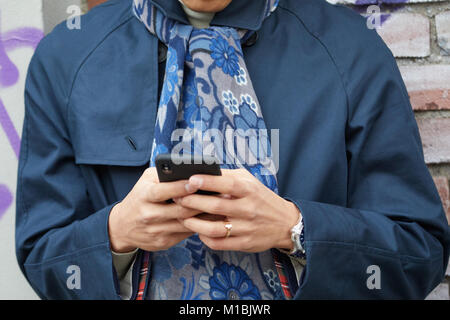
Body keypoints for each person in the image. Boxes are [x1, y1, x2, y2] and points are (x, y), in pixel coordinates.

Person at [16, 0, 450, 300]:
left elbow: (419, 251)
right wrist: (116, 236)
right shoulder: (66, 58)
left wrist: (297, 231)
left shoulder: (350, 49)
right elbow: (41, 256)